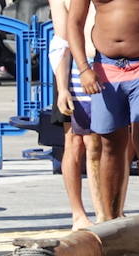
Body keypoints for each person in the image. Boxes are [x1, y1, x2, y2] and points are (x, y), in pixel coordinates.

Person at [68, 0, 139, 222]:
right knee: (109, 143)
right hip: (105, 65)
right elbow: (74, 22)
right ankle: (111, 220)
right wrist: (83, 68)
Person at [48, 0, 95, 230]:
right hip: (72, 70)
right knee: (74, 142)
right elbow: (61, 41)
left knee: (101, 144)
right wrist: (63, 87)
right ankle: (78, 213)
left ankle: (106, 210)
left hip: (106, 65)